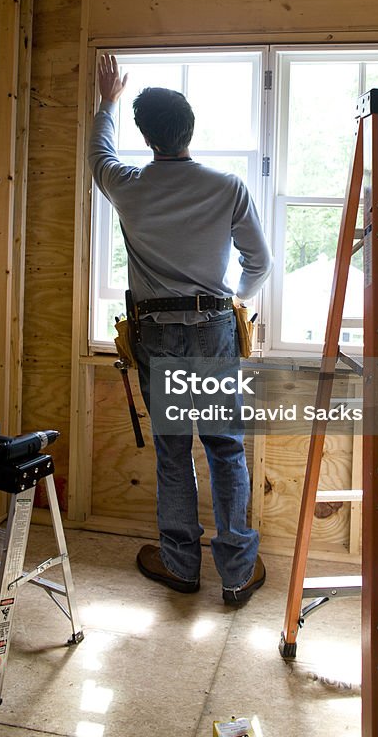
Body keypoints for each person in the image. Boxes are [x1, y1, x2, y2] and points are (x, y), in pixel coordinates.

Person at [88, 54, 273, 603]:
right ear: (190, 130)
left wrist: (108, 101)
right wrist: (232, 302)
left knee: (173, 453)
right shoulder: (227, 186)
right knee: (225, 450)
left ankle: (182, 566)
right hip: (214, 328)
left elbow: (98, 154)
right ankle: (237, 573)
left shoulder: (128, 184)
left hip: (158, 334)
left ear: (147, 138)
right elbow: (258, 264)